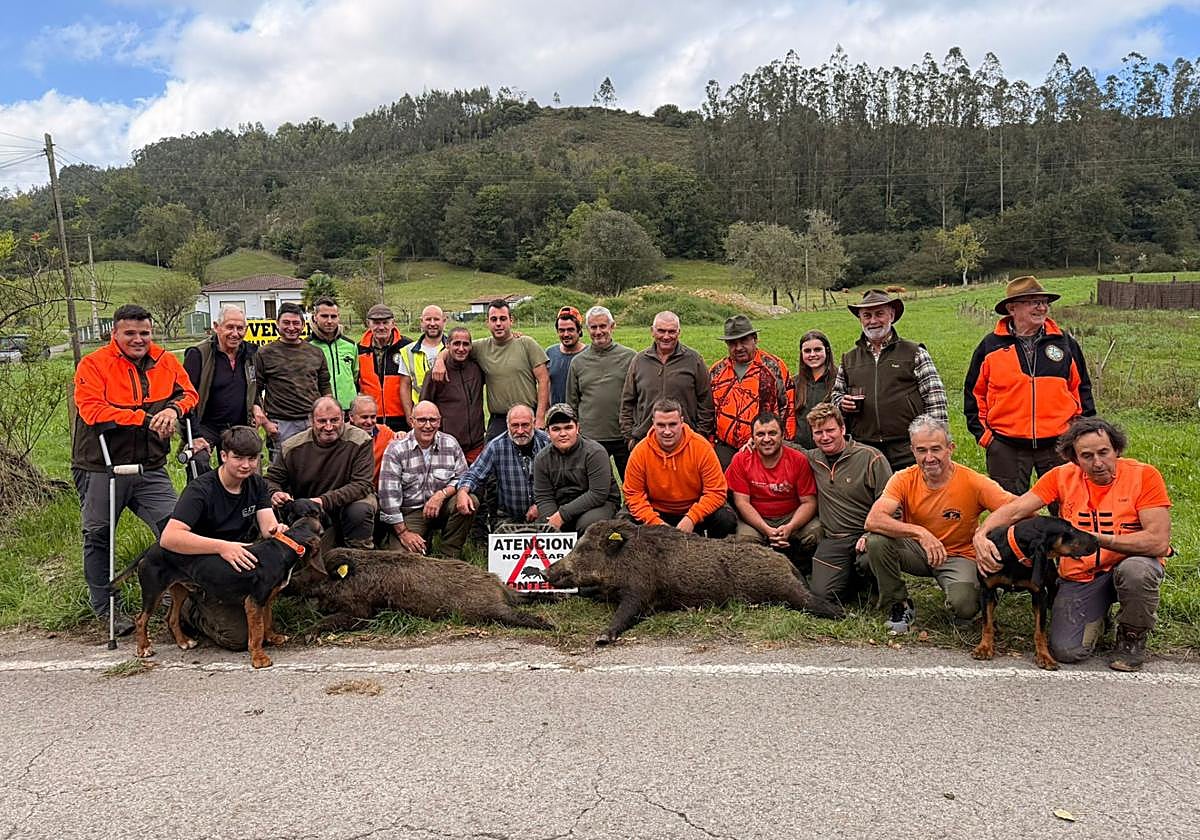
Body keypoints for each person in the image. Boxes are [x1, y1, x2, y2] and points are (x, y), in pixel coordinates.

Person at [971, 417, 1172, 672]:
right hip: (1082, 576)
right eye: (1086, 456)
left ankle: (1131, 637)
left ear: (1117, 450)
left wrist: (1100, 540)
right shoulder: (1061, 476)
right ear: (1074, 458)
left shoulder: (1144, 476)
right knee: (1067, 651)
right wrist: (982, 533)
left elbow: (1157, 541)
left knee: (1138, 572)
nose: (1097, 463)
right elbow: (1015, 510)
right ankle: (1099, 616)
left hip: (1128, 565)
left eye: (1104, 452)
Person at [71, 304, 199, 634]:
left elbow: (189, 393)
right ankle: (104, 607)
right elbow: (92, 410)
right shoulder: (94, 364)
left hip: (150, 467)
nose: (138, 339)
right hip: (102, 466)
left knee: (176, 532)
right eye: (130, 333)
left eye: (144, 333)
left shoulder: (166, 361)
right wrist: (146, 419)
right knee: (98, 534)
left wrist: (172, 409)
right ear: (114, 333)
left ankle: (174, 595)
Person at [865, 415, 1014, 634]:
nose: (929, 458)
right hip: (918, 549)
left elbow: (1018, 509)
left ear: (950, 448)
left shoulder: (973, 481)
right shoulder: (903, 478)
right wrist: (920, 533)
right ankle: (899, 604)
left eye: (936, 449)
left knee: (964, 607)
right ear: (912, 450)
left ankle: (979, 590)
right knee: (877, 541)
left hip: (958, 554)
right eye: (921, 450)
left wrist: (984, 532)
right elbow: (873, 520)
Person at [964, 275, 1095, 495]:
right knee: (1008, 513)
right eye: (1033, 301)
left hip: (1059, 444)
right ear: (1012, 308)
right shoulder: (990, 346)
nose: (1041, 307)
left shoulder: (1064, 343)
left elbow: (1082, 390)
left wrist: (1081, 433)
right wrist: (987, 438)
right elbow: (974, 395)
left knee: (1068, 508)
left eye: (1044, 302)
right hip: (1006, 446)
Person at [156, 425, 283, 650]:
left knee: (258, 626)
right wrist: (222, 547)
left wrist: (280, 531)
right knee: (238, 638)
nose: (246, 465)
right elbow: (169, 538)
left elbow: (268, 528)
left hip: (236, 568)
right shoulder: (201, 490)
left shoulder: (257, 484)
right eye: (238, 458)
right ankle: (187, 608)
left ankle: (221, 605)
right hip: (202, 569)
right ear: (223, 456)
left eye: (252, 458)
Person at [831, 290, 947, 471]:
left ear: (891, 315)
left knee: (915, 498)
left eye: (879, 314)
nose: (873, 321)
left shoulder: (914, 352)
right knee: (873, 499)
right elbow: (836, 397)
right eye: (867, 315)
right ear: (860, 319)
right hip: (865, 450)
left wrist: (936, 443)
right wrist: (841, 403)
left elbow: (936, 401)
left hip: (907, 447)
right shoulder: (849, 359)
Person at [801, 402, 893, 604]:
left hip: (867, 535)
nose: (825, 437)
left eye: (830, 430)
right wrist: (752, 443)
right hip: (835, 538)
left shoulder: (871, 458)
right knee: (821, 596)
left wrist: (872, 534)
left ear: (843, 429)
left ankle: (875, 585)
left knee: (872, 558)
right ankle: (851, 581)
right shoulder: (811, 458)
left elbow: (893, 504)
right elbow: (783, 448)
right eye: (818, 432)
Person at [266, 396, 376, 551]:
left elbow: (362, 484)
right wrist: (275, 493)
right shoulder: (292, 447)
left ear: (344, 418)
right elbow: (271, 479)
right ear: (311, 421)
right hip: (310, 509)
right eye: (322, 421)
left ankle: (361, 554)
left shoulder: (360, 440)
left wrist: (322, 501)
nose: (329, 427)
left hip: (346, 503)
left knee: (360, 510)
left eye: (335, 420)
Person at [432, 299, 550, 439]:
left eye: (503, 319)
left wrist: (540, 417)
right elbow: (455, 347)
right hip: (499, 420)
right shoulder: (481, 348)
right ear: (487, 322)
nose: (498, 323)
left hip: (527, 416)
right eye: (494, 319)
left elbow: (544, 379)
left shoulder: (526, 344)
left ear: (511, 320)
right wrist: (439, 360)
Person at [623, 398, 736, 538]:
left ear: (682, 422)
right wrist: (655, 523)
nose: (667, 431)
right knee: (623, 522)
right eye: (661, 425)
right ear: (653, 423)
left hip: (694, 510)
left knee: (726, 520)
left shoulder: (701, 447)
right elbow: (633, 495)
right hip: (656, 512)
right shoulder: (640, 452)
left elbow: (716, 492)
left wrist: (692, 518)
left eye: (672, 424)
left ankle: (710, 555)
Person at [377, 402, 473, 558]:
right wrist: (403, 533)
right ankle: (416, 540)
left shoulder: (450, 443)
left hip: (441, 507)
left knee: (469, 500)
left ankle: (449, 555)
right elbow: (388, 499)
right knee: (401, 560)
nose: (428, 425)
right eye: (422, 420)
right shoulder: (396, 450)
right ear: (412, 421)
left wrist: (440, 495)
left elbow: (464, 477)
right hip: (411, 512)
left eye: (433, 420)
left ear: (439, 421)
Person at [181, 304, 264, 476]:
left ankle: (249, 502)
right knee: (199, 461)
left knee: (250, 467)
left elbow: (254, 386)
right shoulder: (198, 354)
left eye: (240, 328)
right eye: (229, 327)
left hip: (239, 423)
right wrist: (194, 435)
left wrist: (256, 405)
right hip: (205, 425)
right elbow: (183, 397)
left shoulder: (251, 354)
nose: (235, 333)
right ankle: (203, 500)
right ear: (216, 327)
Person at [726, 412, 816, 562]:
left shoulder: (798, 460)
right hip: (756, 518)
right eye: (760, 434)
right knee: (744, 541)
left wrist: (790, 527)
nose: (766, 439)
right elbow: (742, 503)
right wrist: (766, 530)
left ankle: (803, 569)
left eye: (772, 433)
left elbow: (809, 502)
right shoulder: (741, 459)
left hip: (791, 516)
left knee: (816, 532)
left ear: (782, 435)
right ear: (753, 438)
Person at [708, 315, 792, 468]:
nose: (738, 347)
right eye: (733, 343)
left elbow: (788, 407)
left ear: (755, 339)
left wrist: (785, 442)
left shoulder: (774, 367)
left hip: (765, 446)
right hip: (725, 447)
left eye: (744, 341)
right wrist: (711, 442)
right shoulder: (716, 371)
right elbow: (709, 410)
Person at [620, 311, 714, 448]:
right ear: (652, 331)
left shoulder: (694, 360)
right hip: (645, 440)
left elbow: (706, 403)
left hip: (686, 442)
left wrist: (700, 435)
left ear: (679, 332)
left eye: (671, 331)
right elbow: (627, 402)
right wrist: (630, 437)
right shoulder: (639, 361)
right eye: (661, 331)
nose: (666, 336)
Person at [566, 305, 637, 478]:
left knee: (632, 484)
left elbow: (639, 398)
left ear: (612, 327)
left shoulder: (630, 358)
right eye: (594, 327)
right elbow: (571, 402)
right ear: (587, 329)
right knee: (596, 485)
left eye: (603, 326)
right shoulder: (578, 362)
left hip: (623, 436)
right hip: (591, 438)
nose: (598, 332)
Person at [455, 404, 550, 528]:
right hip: (508, 515)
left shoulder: (547, 442)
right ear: (507, 425)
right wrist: (462, 492)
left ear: (534, 423)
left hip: (543, 511)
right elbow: (474, 473)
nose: (520, 431)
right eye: (515, 425)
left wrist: (541, 506)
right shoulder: (496, 446)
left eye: (525, 425)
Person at [533, 403, 622, 535]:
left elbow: (598, 494)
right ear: (547, 432)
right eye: (556, 429)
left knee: (588, 525)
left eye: (568, 427)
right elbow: (543, 496)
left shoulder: (595, 452)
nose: (563, 433)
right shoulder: (542, 459)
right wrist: (551, 520)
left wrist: (562, 515)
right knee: (543, 526)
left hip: (599, 504)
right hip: (561, 504)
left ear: (577, 428)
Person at [256, 302, 331, 455]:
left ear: (303, 325)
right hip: (281, 425)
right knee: (282, 472)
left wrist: (326, 417)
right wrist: (266, 423)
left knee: (315, 467)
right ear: (277, 324)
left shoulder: (316, 353)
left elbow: (325, 387)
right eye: (286, 323)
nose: (291, 327)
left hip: (312, 422)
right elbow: (254, 391)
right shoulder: (264, 353)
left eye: (296, 323)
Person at [422, 326, 485, 462]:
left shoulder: (477, 369)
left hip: (476, 445)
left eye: (465, 344)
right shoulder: (436, 374)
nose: (461, 349)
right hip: (447, 447)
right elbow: (424, 407)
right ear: (447, 345)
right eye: (456, 343)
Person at [357, 303, 413, 432]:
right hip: (371, 419)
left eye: (385, 322)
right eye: (376, 323)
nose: (381, 327)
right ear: (368, 324)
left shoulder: (407, 347)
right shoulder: (358, 349)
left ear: (393, 323)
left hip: (402, 418)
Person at [308, 296, 359, 413]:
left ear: (338, 317)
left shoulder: (350, 345)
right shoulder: (307, 346)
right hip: (320, 411)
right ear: (315, 317)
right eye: (324, 316)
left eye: (333, 316)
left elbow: (355, 376)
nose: (329, 321)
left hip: (348, 410)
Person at [398, 304, 449, 419]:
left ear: (444, 321)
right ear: (421, 322)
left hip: (449, 413)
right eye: (428, 319)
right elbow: (405, 386)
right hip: (421, 415)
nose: (432, 323)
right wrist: (409, 415)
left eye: (436, 319)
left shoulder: (454, 349)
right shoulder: (408, 351)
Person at [792, 330, 835, 449]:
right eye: (807, 351)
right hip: (801, 450)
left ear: (826, 350)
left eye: (817, 350)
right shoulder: (794, 383)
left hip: (830, 449)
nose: (812, 354)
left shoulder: (840, 380)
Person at [346, 394, 395, 483]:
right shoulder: (341, 436)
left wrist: (401, 434)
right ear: (351, 417)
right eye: (364, 417)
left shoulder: (384, 432)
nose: (369, 422)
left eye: (373, 417)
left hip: (376, 491)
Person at [545, 306, 587, 405]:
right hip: (557, 416)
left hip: (583, 416)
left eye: (570, 330)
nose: (566, 334)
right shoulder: (550, 353)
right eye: (561, 330)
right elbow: (545, 386)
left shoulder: (589, 354)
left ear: (579, 330)